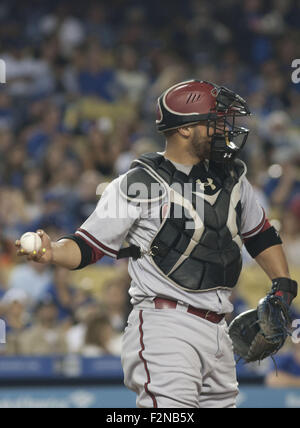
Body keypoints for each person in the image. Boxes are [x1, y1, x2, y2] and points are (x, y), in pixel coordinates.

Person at [16, 80, 298, 408]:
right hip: (166, 325)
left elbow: (260, 233)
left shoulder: (232, 177)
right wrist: (52, 252)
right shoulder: (139, 183)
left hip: (219, 329)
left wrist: (283, 284)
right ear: (185, 130)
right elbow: (87, 245)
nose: (223, 129)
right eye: (214, 122)